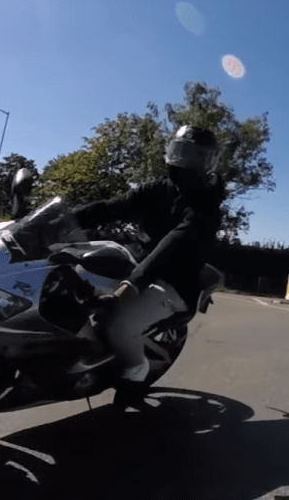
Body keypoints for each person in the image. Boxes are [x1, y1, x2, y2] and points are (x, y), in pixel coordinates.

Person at [64, 125, 226, 396]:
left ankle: (136, 368)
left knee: (119, 324)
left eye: (195, 156)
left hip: (174, 280)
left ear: (208, 162)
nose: (185, 161)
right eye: (181, 152)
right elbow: (114, 207)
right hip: (135, 263)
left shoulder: (206, 209)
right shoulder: (157, 189)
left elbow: (169, 248)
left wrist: (126, 291)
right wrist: (67, 218)